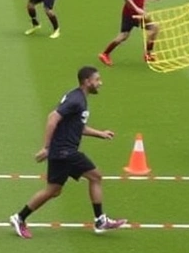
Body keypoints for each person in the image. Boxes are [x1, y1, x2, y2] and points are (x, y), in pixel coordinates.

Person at [9, 66, 127, 239]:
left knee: (53, 190)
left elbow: (78, 127)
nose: (100, 83)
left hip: (62, 152)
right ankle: (100, 220)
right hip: (65, 151)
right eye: (97, 80)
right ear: (87, 82)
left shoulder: (78, 98)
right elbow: (52, 118)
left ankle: (19, 217)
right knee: (95, 177)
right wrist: (46, 148)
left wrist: (100, 134)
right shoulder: (76, 100)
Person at [99, 0, 161, 66]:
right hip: (131, 14)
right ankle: (105, 54)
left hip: (138, 13)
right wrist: (136, 8)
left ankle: (148, 54)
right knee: (126, 35)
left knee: (152, 28)